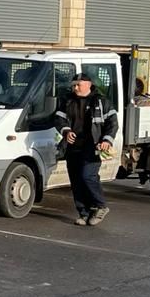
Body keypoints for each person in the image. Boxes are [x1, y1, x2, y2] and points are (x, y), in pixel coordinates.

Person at [56, 69, 119, 225]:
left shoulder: (101, 101)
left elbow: (113, 123)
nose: (75, 88)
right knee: (76, 181)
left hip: (92, 147)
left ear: (89, 85)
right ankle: (84, 213)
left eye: (78, 85)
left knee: (88, 176)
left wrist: (106, 140)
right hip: (73, 147)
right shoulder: (67, 100)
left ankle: (101, 206)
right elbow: (58, 119)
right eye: (73, 85)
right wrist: (66, 131)